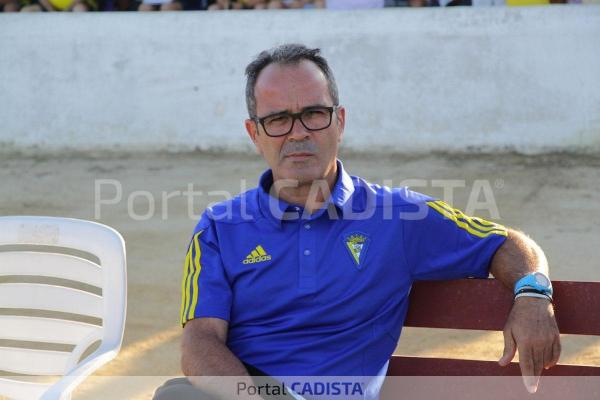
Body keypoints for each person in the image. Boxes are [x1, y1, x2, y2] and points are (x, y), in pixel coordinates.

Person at [155, 43, 560, 400]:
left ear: (339, 121)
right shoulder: (220, 227)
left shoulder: (399, 217)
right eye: (278, 119)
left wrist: (532, 296)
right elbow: (200, 345)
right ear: (253, 133)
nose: (297, 133)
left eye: (314, 113)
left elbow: (506, 243)